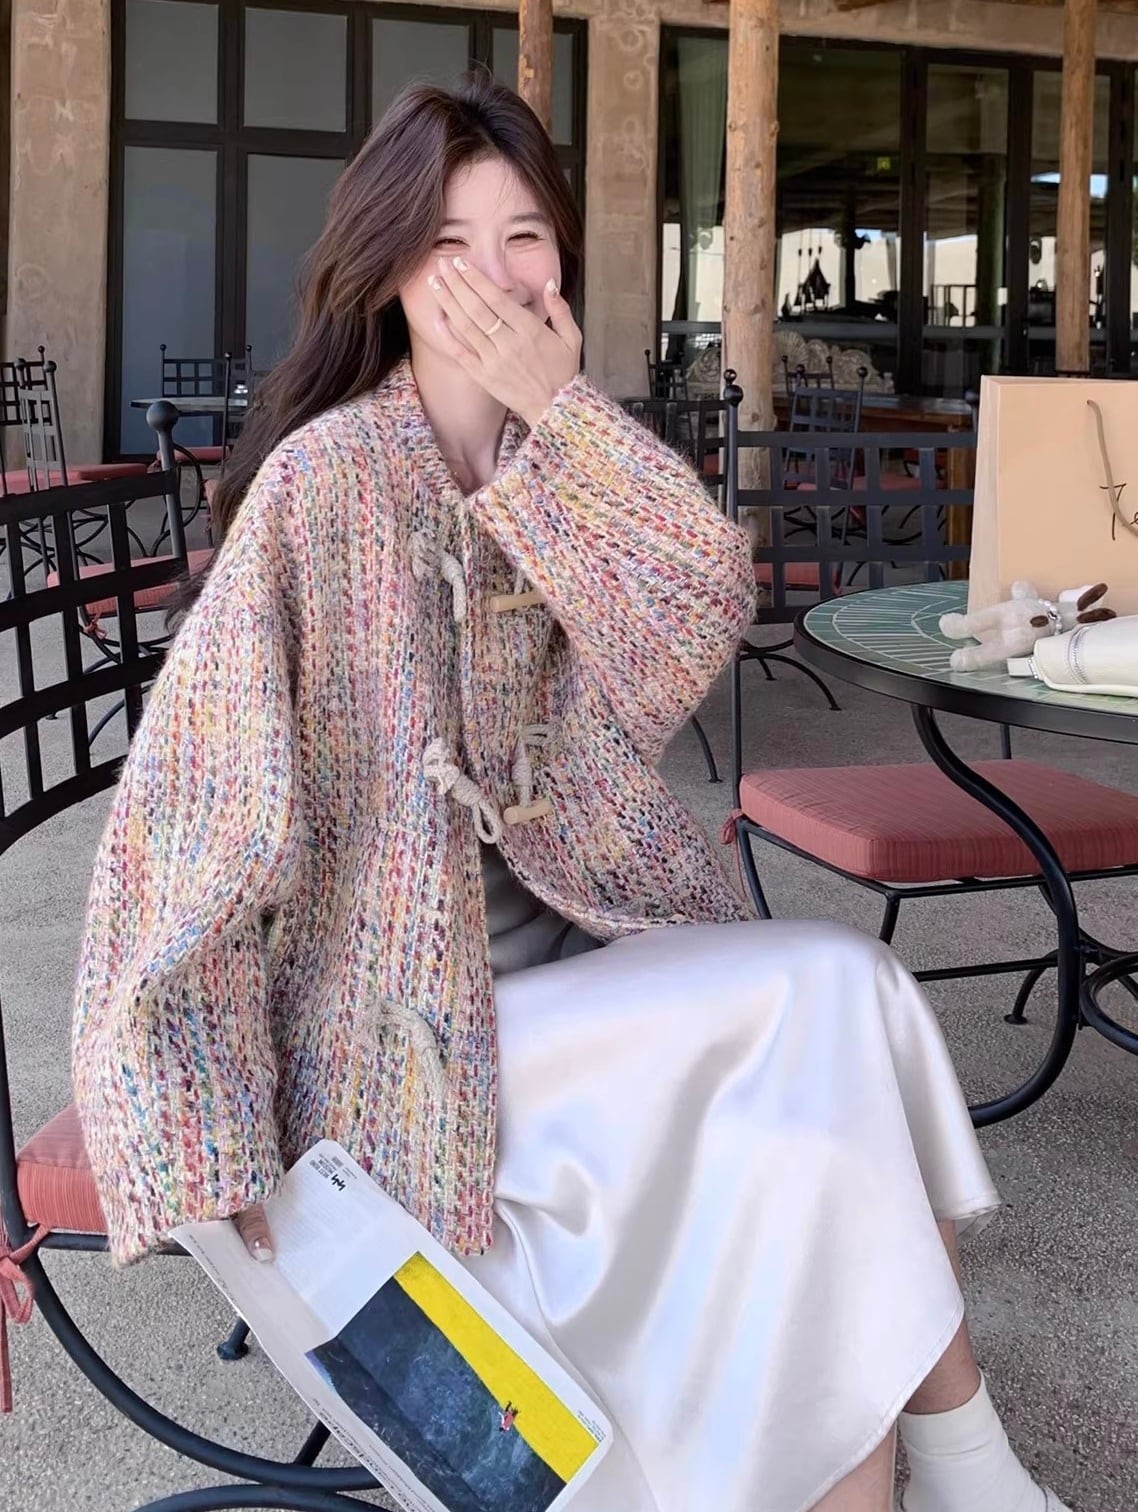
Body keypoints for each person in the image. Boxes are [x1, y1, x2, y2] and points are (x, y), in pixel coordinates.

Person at [72, 73, 1071, 1512]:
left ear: (565, 266)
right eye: (447, 244)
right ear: (387, 274)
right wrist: (194, 1117)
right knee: (827, 998)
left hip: (588, 970)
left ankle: (924, 1475)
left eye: (524, 237)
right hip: (407, 1038)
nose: (492, 276)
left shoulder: (559, 465)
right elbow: (189, 825)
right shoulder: (327, 483)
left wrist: (561, 410)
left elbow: (694, 615)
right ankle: (969, 1465)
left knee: (815, 1101)